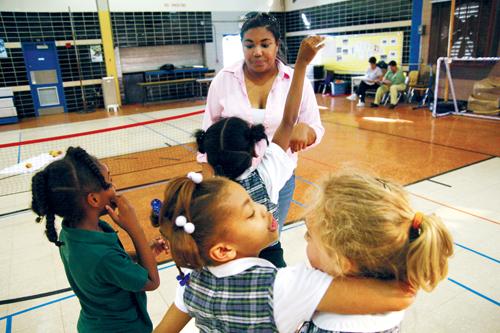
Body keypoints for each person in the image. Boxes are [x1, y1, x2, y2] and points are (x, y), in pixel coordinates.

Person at [152, 175, 414, 333]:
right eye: (251, 213)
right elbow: (396, 297)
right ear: (223, 250)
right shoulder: (285, 286)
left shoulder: (190, 279)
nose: (264, 208)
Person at [199, 12, 325, 266]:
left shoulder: (294, 81)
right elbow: (207, 137)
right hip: (225, 180)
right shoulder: (224, 80)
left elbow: (313, 127)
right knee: (240, 239)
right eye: (249, 45)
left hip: (280, 177)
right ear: (242, 45)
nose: (257, 52)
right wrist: (208, 187)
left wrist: (306, 130)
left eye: (265, 44)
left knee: (265, 237)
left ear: (277, 45)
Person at [31, 146, 163, 333]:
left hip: (93, 324)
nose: (114, 186)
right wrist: (136, 230)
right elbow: (151, 281)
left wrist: (144, 252)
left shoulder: (70, 233)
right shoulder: (102, 256)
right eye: (109, 182)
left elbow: (111, 266)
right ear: (93, 199)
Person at [300, 173, 454, 333]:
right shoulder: (392, 294)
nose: (306, 238)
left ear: (342, 262)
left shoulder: (331, 323)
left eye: (309, 235)